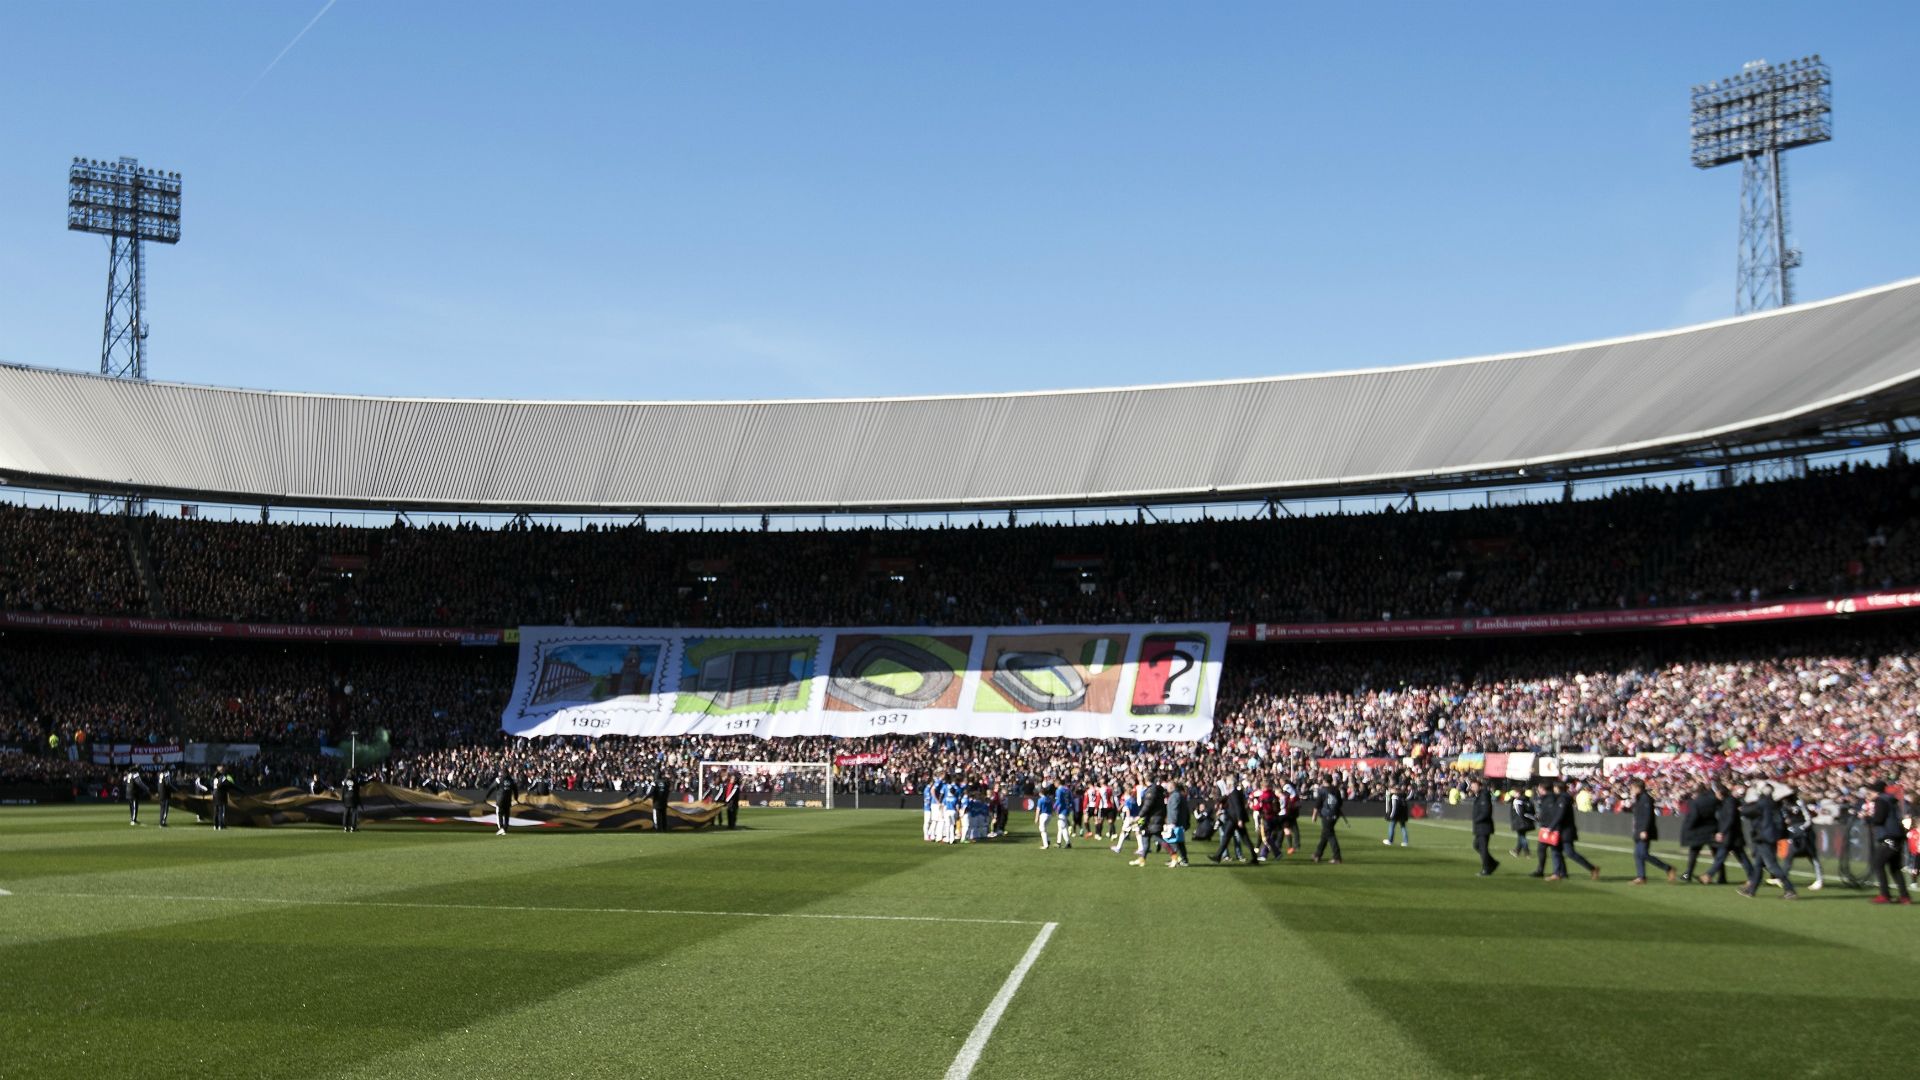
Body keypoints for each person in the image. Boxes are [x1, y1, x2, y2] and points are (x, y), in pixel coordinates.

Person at [1737, 782, 1798, 900]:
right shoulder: (1773, 803)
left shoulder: (1763, 802)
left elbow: (1747, 811)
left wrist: (1744, 803)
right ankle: (1751, 890)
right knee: (1759, 864)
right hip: (1768, 835)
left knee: (1772, 865)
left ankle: (1790, 889)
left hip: (1763, 836)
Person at [1864, 779, 1914, 905]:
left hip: (1889, 837)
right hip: (1897, 836)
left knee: (1878, 863)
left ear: (1875, 791)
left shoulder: (1881, 801)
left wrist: (1868, 818)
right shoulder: (1891, 800)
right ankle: (1904, 896)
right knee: (1895, 867)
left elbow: (1879, 819)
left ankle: (1885, 895)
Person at [1546, 780, 1599, 882]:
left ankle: (1592, 868)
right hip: (1561, 830)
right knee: (1556, 851)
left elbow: (1560, 815)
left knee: (1569, 852)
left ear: (1557, 788)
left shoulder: (1563, 799)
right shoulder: (1563, 798)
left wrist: (1551, 827)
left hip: (1566, 831)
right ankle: (1559, 873)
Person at [1628, 779, 1676, 885]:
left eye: (1632, 788)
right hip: (1638, 830)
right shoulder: (1639, 798)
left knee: (1643, 853)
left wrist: (1644, 830)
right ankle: (1641, 877)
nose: (1630, 790)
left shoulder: (1646, 798)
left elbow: (1647, 816)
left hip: (1644, 831)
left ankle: (1668, 868)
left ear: (1637, 788)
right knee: (1638, 854)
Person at [1704, 780, 1753, 885]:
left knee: (1722, 857)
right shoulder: (1730, 801)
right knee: (1740, 857)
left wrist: (1722, 832)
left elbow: (1729, 819)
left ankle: (1708, 875)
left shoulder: (1730, 802)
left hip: (1730, 835)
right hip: (1733, 836)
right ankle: (1753, 877)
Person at [1779, 787, 1824, 891]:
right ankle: (1783, 877)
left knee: (1812, 856)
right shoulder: (1784, 804)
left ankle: (1819, 880)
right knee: (1789, 855)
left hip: (1806, 833)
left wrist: (1801, 829)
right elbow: (1786, 819)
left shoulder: (1799, 802)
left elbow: (1808, 818)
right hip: (1794, 833)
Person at [1679, 783, 1719, 883]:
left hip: (1699, 831)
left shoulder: (1695, 802)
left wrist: (1688, 827)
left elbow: (1694, 817)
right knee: (1717, 854)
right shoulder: (1713, 800)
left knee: (1693, 854)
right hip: (1712, 829)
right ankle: (1722, 876)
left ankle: (1687, 875)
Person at [1210, 776, 1253, 864]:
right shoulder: (1235, 792)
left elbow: (1238, 807)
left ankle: (1218, 856)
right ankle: (1218, 856)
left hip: (1234, 819)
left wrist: (1240, 819)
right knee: (1243, 838)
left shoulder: (1234, 793)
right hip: (1234, 818)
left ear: (1230, 784)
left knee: (1228, 837)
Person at [1129, 778, 1167, 867]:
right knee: (1145, 836)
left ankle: (1174, 855)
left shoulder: (1151, 791)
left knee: (1157, 838)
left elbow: (1147, 805)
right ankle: (1142, 859)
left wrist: (1139, 816)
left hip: (1152, 819)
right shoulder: (1155, 791)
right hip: (1150, 818)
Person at [1469, 777, 1499, 876]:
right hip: (1480, 826)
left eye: (1474, 786)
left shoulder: (1484, 796)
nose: (1472, 788)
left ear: (1480, 786)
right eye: (1472, 786)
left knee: (1482, 848)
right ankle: (1493, 863)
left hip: (1484, 826)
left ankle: (1486, 869)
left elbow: (1486, 812)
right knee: (1477, 845)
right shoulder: (1480, 796)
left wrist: (1477, 820)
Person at [1311, 774, 1344, 864]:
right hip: (1335, 816)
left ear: (1324, 780)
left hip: (1326, 815)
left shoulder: (1322, 790)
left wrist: (1314, 816)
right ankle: (1317, 854)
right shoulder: (1336, 790)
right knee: (1325, 835)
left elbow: (1317, 804)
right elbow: (1340, 803)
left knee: (1330, 835)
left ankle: (1337, 857)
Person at [1528, 781, 1557, 878]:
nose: (1538, 790)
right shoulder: (1546, 798)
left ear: (1543, 788)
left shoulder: (1551, 799)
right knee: (1542, 849)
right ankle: (1541, 870)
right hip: (1546, 827)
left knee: (1558, 851)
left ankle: (1557, 872)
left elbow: (1552, 813)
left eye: (1539, 788)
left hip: (1550, 828)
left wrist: (1548, 823)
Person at [1163, 781, 1192, 868]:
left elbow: (1174, 810)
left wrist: (1172, 822)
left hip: (1175, 823)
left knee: (1173, 842)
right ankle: (1181, 859)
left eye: (1168, 786)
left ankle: (1178, 859)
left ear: (1172, 787)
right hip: (1177, 822)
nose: (1167, 788)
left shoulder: (1175, 796)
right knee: (1178, 842)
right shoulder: (1178, 795)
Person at [1508, 787, 1535, 857]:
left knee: (1522, 836)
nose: (1514, 794)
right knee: (1521, 836)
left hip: (1520, 821)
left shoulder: (1517, 801)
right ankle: (1516, 851)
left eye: (1515, 792)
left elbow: (1519, 812)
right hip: (1527, 821)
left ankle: (1527, 852)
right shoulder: (1527, 800)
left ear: (1518, 793)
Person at [489, 771, 518, 836]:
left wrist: (486, 797)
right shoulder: (512, 781)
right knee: (507, 815)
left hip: (500, 801)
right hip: (508, 801)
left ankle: (501, 828)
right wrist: (516, 798)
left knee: (499, 814)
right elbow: (516, 790)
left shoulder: (499, 780)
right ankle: (505, 829)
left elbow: (491, 788)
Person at [1383, 781, 1411, 847]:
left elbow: (1394, 808)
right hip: (1403, 815)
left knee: (1391, 827)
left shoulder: (1394, 797)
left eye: (1391, 789)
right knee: (1403, 827)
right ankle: (1405, 842)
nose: (1390, 790)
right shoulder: (1403, 796)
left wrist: (1391, 815)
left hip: (1396, 815)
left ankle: (1390, 840)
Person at [1052, 779, 1075, 849]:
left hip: (1062, 810)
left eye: (1054, 783)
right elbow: (1071, 799)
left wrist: (1054, 807)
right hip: (1067, 809)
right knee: (1061, 827)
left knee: (1062, 827)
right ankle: (1060, 842)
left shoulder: (1059, 790)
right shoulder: (1067, 789)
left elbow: (1058, 801)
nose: (1054, 785)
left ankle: (1066, 843)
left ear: (1057, 783)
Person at [1034, 781, 1056, 850]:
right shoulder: (1049, 799)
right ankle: (1048, 840)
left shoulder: (1040, 800)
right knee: (1044, 828)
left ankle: (1045, 845)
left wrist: (1036, 818)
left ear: (1041, 793)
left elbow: (1038, 809)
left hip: (1043, 815)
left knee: (1042, 830)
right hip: (1049, 815)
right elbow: (1052, 807)